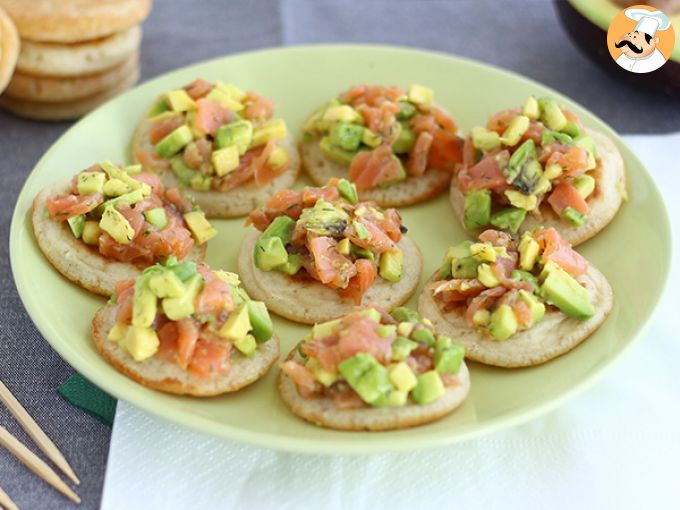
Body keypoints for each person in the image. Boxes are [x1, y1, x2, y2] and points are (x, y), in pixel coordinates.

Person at [614, 9, 671, 73]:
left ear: (654, 41)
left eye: (635, 37)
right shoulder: (622, 56)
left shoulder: (658, 62)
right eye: (630, 35)